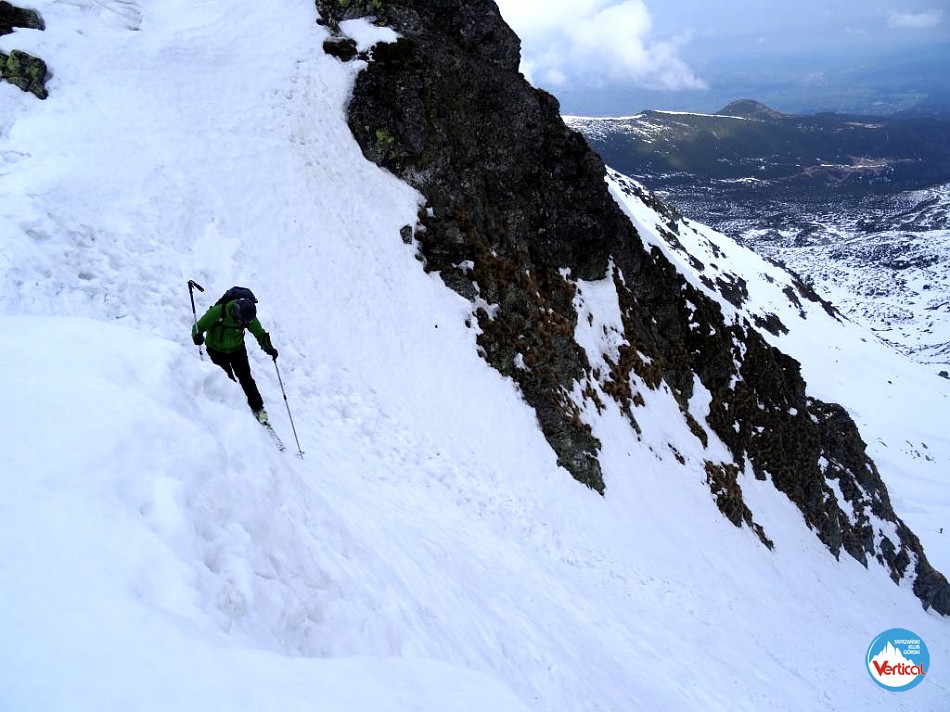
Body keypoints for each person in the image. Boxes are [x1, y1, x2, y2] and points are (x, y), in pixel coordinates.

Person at [192, 296, 279, 424]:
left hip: (237, 349)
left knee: (246, 378)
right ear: (236, 312)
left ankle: (258, 408)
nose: (242, 323)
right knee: (227, 379)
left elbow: (259, 333)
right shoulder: (218, 312)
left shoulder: (248, 317)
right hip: (216, 350)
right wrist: (197, 336)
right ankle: (235, 408)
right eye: (241, 321)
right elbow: (198, 326)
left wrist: (268, 347)